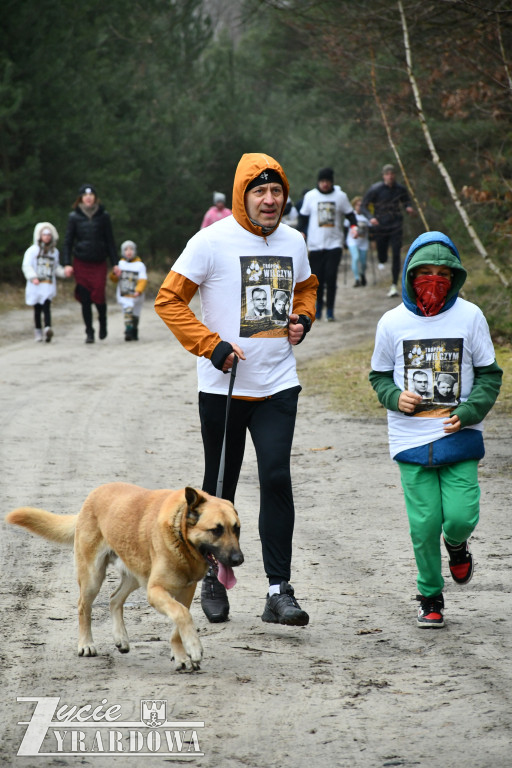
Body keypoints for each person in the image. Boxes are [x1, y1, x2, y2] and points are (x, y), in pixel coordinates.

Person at [155, 152, 318, 628]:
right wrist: (211, 345)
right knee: (218, 490)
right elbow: (169, 299)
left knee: (276, 479)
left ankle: (277, 590)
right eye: (259, 192)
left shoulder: (294, 240)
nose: (270, 200)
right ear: (242, 195)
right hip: (223, 386)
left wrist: (302, 319)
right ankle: (210, 577)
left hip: (276, 384)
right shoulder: (210, 242)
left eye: (276, 191)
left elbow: (307, 286)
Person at [369, 231, 502, 628]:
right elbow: (378, 377)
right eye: (423, 272)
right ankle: (429, 594)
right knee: (424, 525)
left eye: (443, 273)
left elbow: (489, 375)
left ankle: (458, 545)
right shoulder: (391, 322)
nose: (433, 280)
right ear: (409, 276)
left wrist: (472, 408)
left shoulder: (470, 316)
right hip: (410, 441)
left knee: (460, 516)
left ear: (456, 276)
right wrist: (395, 397)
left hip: (458, 435)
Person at [62, 184, 119, 343]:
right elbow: (68, 242)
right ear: (80, 198)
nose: (88, 198)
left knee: (99, 295)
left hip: (99, 262)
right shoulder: (74, 217)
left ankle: (102, 321)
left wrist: (115, 263)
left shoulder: (103, 216)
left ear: (95, 198)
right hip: (81, 262)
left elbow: (110, 241)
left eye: (91, 195)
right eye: (85, 195)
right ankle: (89, 332)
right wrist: (67, 263)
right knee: (85, 298)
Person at [298, 167, 357, 321]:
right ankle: (318, 309)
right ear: (318, 182)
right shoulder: (311, 196)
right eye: (322, 181)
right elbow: (302, 218)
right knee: (317, 280)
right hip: (315, 245)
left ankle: (330, 310)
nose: (324, 184)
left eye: (327, 182)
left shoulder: (340, 196)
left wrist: (354, 228)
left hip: (335, 244)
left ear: (332, 182)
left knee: (331, 277)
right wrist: (302, 231)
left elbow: (351, 215)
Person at [361, 164, 415, 298]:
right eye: (387, 174)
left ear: (395, 175)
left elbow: (407, 201)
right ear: (383, 175)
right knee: (382, 256)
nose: (390, 176)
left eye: (392, 174)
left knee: (397, 254)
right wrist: (371, 218)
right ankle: (382, 259)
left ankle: (394, 285)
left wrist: (408, 208)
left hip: (396, 226)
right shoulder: (375, 189)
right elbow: (363, 206)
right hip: (380, 226)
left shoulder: (400, 189)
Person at [22, 222, 65, 342]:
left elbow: (56, 267)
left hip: (47, 284)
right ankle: (38, 330)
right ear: (39, 235)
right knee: (37, 309)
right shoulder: (32, 251)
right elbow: (26, 265)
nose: (47, 237)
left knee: (47, 306)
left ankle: (47, 328)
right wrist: (32, 277)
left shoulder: (54, 252)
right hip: (36, 284)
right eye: (44, 234)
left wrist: (64, 273)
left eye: (49, 234)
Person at [110, 240, 148, 341]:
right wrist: (114, 274)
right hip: (124, 294)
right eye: (126, 249)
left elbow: (143, 280)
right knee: (127, 311)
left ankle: (134, 330)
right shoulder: (120, 264)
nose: (129, 251)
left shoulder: (140, 265)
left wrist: (139, 290)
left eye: (131, 249)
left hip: (136, 295)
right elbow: (113, 279)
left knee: (135, 313)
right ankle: (128, 330)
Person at [345, 196, 372, 288]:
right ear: (354, 205)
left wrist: (373, 237)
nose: (359, 207)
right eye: (357, 205)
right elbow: (345, 228)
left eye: (361, 205)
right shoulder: (351, 215)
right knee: (355, 258)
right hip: (352, 241)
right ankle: (357, 279)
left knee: (363, 262)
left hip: (363, 242)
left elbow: (371, 229)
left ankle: (362, 274)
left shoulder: (366, 216)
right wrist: (344, 241)